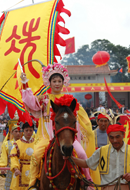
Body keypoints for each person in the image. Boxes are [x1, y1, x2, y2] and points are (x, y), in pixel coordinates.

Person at [20, 63, 100, 187]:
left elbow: (78, 118)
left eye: (59, 81)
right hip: (46, 138)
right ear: (49, 82)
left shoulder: (69, 99)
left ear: (63, 83)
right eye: (54, 81)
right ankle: (33, 183)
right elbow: (31, 103)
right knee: (36, 155)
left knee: (82, 154)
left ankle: (86, 180)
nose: (57, 83)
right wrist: (25, 83)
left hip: (67, 137)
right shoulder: (44, 99)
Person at [71, 124, 130, 190]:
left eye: (117, 137)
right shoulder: (102, 150)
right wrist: (71, 158)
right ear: (108, 137)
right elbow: (86, 163)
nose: (115, 140)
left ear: (123, 135)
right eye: (111, 137)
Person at [9, 122, 34, 190]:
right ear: (23, 131)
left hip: (34, 169)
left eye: (30, 130)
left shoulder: (36, 142)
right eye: (26, 130)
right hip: (20, 170)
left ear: (33, 131)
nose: (28, 132)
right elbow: (13, 157)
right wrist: (16, 168)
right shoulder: (17, 143)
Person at [0, 122, 21, 190]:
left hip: (22, 168)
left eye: (19, 131)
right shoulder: (6, 144)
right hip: (11, 169)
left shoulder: (24, 143)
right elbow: (3, 156)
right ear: (12, 132)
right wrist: (2, 167)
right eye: (16, 131)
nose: (18, 133)